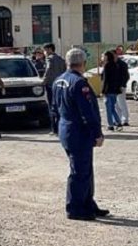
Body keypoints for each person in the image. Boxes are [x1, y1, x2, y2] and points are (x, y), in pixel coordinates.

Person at [51, 48, 109, 221]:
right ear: (83, 63)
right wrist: (97, 133)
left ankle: (87, 203)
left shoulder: (58, 80)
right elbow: (88, 112)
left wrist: (56, 128)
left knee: (85, 169)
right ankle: (75, 208)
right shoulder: (78, 83)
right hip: (78, 132)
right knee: (79, 172)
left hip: (66, 129)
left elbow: (53, 108)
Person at [42, 43, 66, 135]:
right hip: (60, 86)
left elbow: (48, 71)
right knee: (60, 106)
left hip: (51, 86)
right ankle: (60, 128)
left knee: (52, 107)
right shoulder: (61, 59)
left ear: (49, 49)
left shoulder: (49, 59)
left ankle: (54, 129)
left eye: (45, 50)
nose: (44, 52)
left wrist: (43, 81)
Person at [101, 51, 123, 131]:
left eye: (104, 56)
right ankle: (118, 122)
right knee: (112, 108)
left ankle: (110, 125)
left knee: (108, 109)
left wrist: (103, 91)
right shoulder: (116, 65)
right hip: (114, 90)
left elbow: (105, 80)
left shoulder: (107, 66)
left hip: (108, 90)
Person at [115, 51, 130, 126]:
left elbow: (126, 76)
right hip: (113, 87)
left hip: (120, 86)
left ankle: (125, 119)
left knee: (121, 103)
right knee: (115, 104)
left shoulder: (122, 64)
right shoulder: (111, 64)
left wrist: (122, 85)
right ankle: (118, 119)